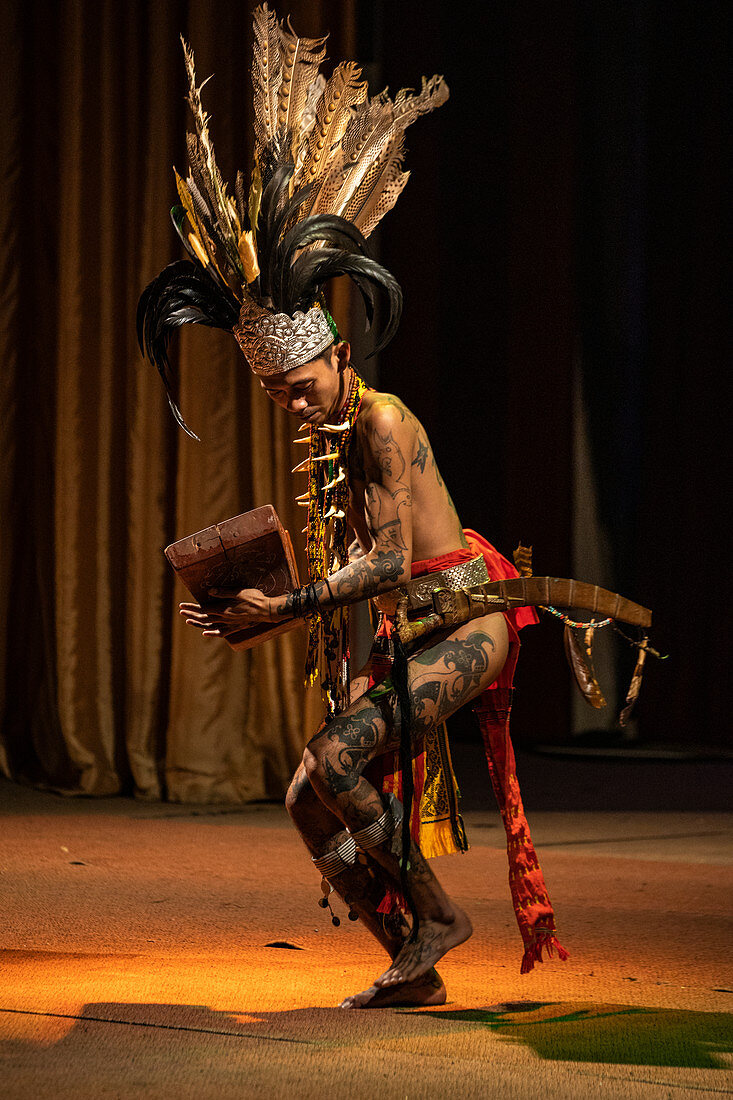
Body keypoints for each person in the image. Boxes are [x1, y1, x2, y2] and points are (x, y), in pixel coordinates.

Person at [138, 4, 567, 1010]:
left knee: (334, 756)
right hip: (409, 624)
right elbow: (351, 579)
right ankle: (413, 952)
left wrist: (285, 607)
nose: (293, 402)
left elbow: (381, 566)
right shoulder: (327, 433)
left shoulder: (375, 419)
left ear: (334, 351)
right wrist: (252, 602)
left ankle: (439, 914)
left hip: (463, 616)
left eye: (300, 382)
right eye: (276, 392)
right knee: (305, 793)